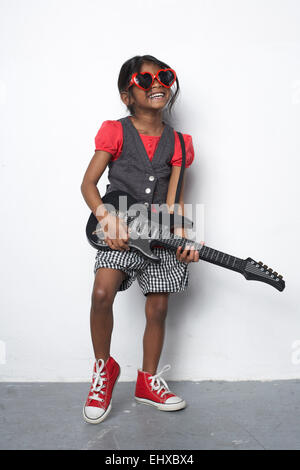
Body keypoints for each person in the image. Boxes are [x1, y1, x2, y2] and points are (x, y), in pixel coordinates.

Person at [80, 54, 204, 424]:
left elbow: (174, 198)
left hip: (159, 232)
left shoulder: (181, 143)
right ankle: (104, 370)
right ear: (126, 95)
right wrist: (107, 218)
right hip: (117, 227)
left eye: (164, 76)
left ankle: (148, 382)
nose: (157, 84)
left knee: (158, 308)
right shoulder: (115, 131)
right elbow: (88, 184)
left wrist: (183, 235)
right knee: (102, 293)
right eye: (145, 79)